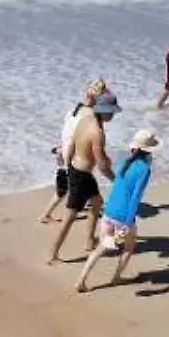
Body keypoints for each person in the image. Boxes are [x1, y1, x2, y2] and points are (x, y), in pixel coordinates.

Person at [74, 129, 160, 293]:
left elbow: (118, 185)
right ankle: (116, 277)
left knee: (101, 248)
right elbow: (135, 197)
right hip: (123, 216)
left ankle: (81, 280)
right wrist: (128, 222)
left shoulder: (124, 160)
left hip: (109, 210)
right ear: (149, 150)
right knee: (129, 247)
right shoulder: (144, 169)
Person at [49, 91, 120, 263]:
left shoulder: (85, 119)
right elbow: (102, 166)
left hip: (77, 169)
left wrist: (69, 165)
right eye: (110, 111)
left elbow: (74, 143)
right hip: (81, 176)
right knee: (70, 216)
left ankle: (89, 240)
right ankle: (53, 254)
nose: (113, 114)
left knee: (97, 202)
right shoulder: (98, 132)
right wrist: (117, 181)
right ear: (102, 110)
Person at [38, 79, 109, 224]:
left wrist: (61, 149)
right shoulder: (90, 116)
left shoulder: (74, 109)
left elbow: (67, 133)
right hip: (72, 156)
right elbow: (76, 139)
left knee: (70, 186)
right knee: (66, 189)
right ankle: (46, 215)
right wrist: (69, 160)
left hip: (64, 150)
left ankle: (84, 205)